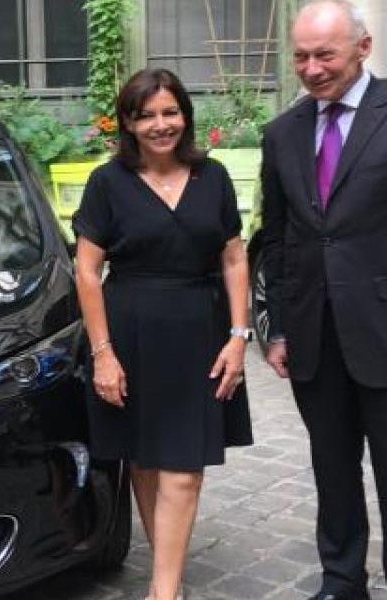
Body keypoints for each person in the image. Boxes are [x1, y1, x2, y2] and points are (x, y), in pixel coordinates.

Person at [259, 2, 387, 600]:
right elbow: (279, 239)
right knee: (332, 472)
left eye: (325, 54)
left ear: (363, 47)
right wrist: (280, 328)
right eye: (301, 57)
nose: (312, 69)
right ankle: (342, 580)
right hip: (315, 337)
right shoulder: (283, 133)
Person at [72, 67, 253, 600]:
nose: (160, 125)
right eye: (146, 115)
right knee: (146, 462)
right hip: (129, 334)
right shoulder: (108, 182)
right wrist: (103, 354)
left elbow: (234, 257)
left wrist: (239, 335)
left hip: (200, 335)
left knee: (183, 470)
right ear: (128, 123)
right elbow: (87, 272)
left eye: (170, 112)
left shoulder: (213, 177)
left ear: (185, 116)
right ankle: (165, 579)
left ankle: (164, 593)